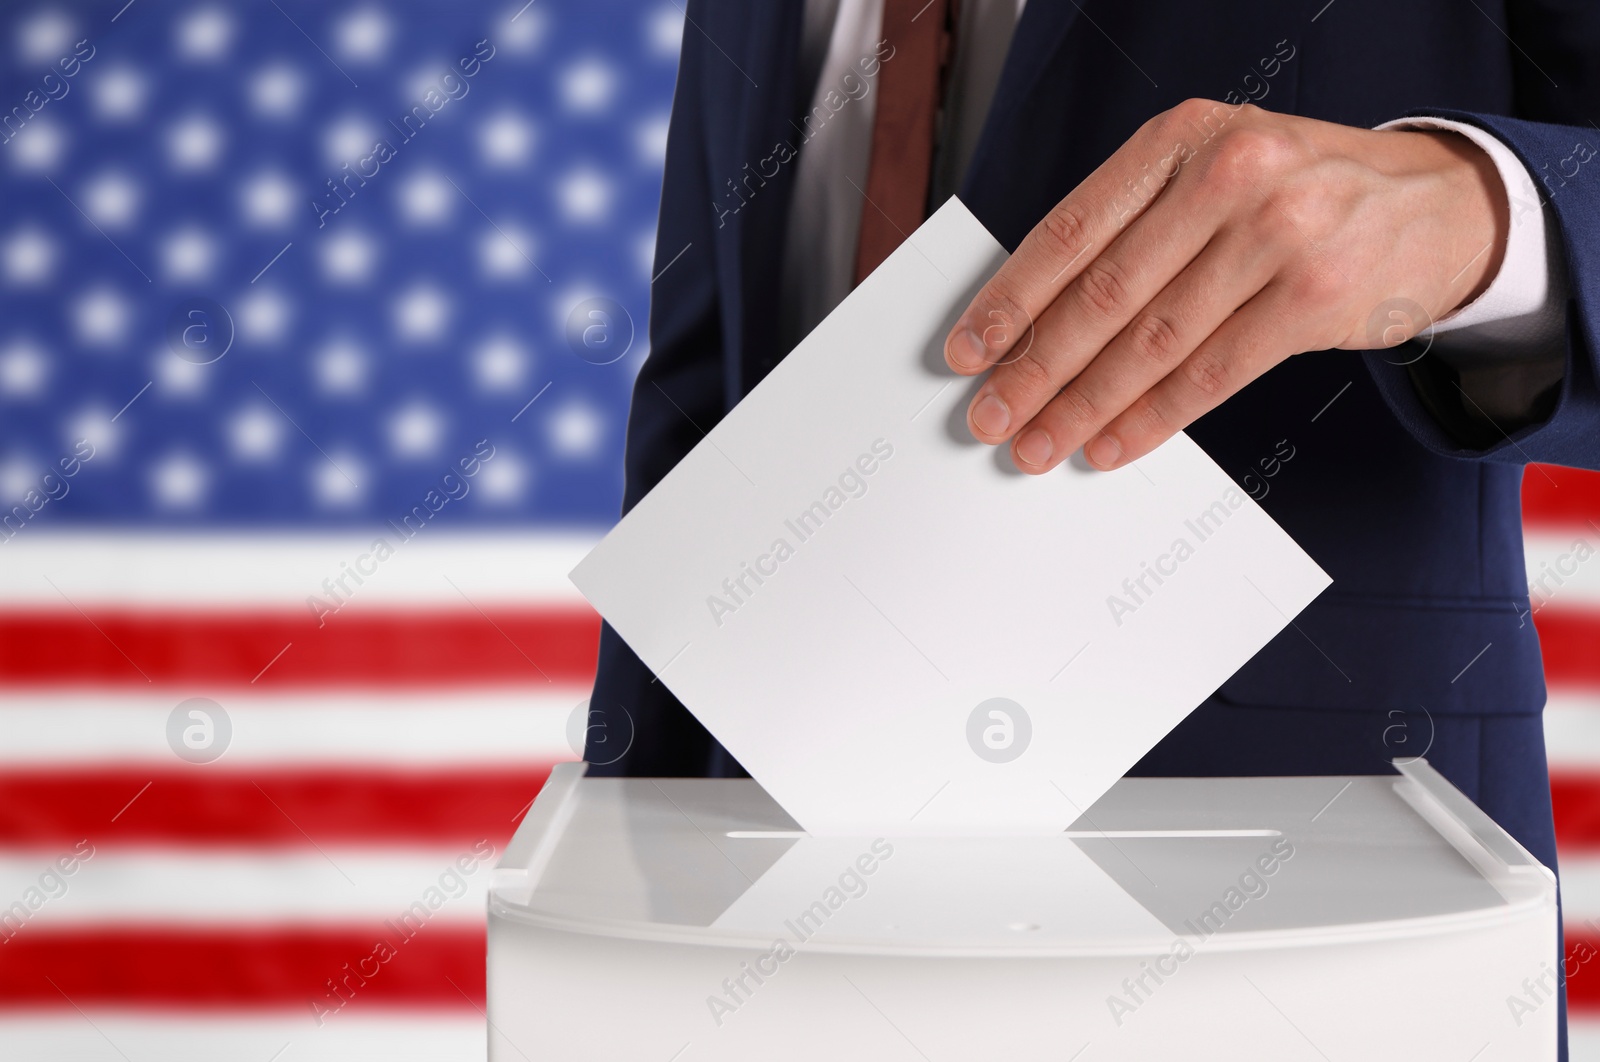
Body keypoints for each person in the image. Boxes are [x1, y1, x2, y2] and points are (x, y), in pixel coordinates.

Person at [588, 2, 1600, 1053]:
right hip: (748, 930)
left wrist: (1482, 219)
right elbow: (702, 404)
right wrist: (614, 883)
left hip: (1305, 899)